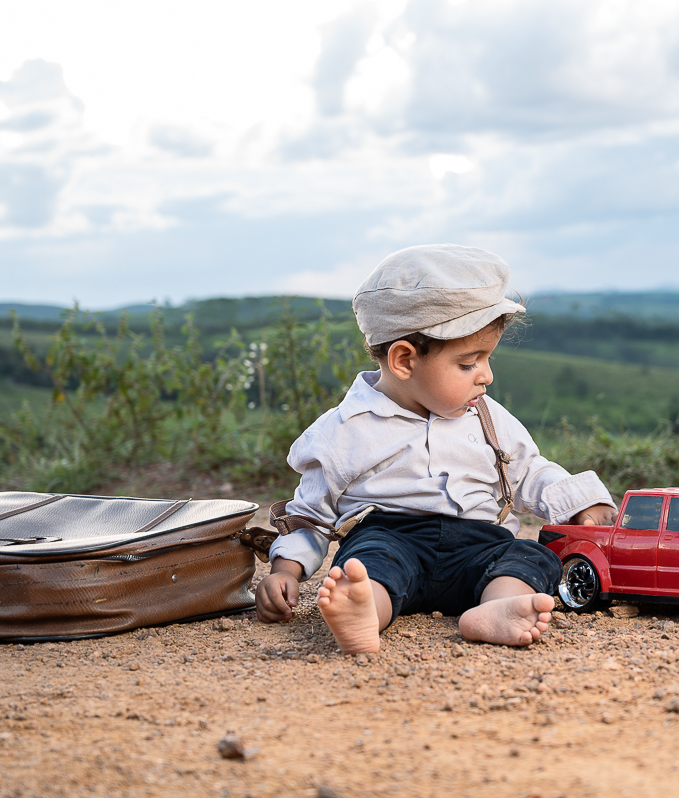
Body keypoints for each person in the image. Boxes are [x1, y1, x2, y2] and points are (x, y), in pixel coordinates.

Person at [255, 244, 616, 654]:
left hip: (479, 545)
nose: (487, 376)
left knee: (530, 556)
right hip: (393, 539)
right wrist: (286, 569)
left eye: (487, 359)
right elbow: (311, 512)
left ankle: (497, 608)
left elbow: (530, 469)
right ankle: (364, 612)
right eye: (469, 363)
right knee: (366, 566)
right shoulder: (344, 430)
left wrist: (580, 504)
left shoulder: (486, 416)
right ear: (404, 360)